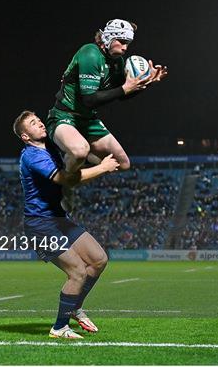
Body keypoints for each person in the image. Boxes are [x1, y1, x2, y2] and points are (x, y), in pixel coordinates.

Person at [13, 110, 120, 339]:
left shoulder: (49, 146)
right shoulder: (32, 156)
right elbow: (64, 179)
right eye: (33, 123)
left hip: (59, 219)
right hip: (40, 225)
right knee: (77, 272)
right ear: (25, 136)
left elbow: (77, 150)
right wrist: (102, 168)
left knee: (99, 259)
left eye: (39, 119)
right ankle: (60, 327)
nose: (40, 123)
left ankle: (74, 307)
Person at [45, 19, 168, 208]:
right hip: (64, 116)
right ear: (109, 37)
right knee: (80, 151)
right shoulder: (90, 54)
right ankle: (65, 184)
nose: (126, 48)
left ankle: (73, 171)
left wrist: (146, 83)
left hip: (88, 120)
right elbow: (90, 99)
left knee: (122, 163)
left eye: (129, 43)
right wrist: (126, 88)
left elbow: (123, 95)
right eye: (123, 42)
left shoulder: (117, 62)